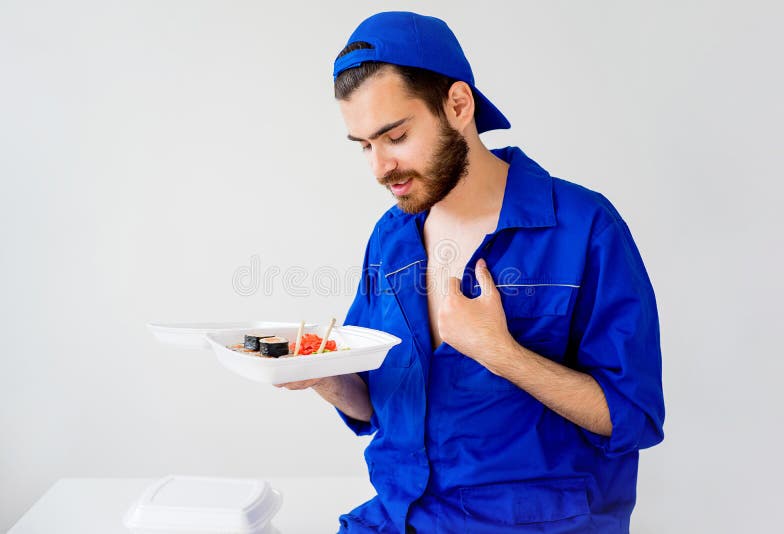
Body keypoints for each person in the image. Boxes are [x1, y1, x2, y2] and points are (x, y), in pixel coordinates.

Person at [276, 11, 665, 533]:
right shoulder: (391, 238)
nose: (379, 167)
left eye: (395, 137)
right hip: (399, 515)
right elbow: (378, 407)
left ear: (458, 105)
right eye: (365, 146)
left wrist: (499, 352)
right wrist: (321, 372)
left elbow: (632, 418)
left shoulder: (585, 228)